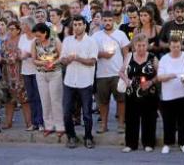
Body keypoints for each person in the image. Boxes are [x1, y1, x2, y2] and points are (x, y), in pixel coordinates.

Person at [60, 15, 98, 149]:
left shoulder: (91, 42)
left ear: (85, 26)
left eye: (79, 24)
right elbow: (62, 60)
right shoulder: (67, 41)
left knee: (87, 113)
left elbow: (92, 61)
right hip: (69, 81)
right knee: (66, 112)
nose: (77, 27)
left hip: (85, 82)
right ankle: (71, 136)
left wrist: (77, 58)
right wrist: (68, 59)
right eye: (75, 25)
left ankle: (88, 137)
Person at [92, 11, 130, 134]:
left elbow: (126, 54)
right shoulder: (96, 36)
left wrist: (124, 70)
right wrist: (102, 54)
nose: (108, 23)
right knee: (103, 101)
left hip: (118, 73)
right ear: (102, 21)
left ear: (113, 21)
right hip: (102, 74)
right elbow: (91, 53)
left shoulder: (121, 35)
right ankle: (104, 125)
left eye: (110, 20)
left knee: (121, 99)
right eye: (105, 20)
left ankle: (120, 125)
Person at [120, 34, 158, 153]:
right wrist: (126, 80)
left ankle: (149, 143)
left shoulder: (153, 57)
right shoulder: (129, 56)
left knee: (149, 119)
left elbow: (160, 73)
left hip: (149, 92)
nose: (141, 48)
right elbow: (121, 72)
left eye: (143, 45)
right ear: (134, 46)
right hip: (132, 92)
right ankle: (131, 144)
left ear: (147, 45)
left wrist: (151, 82)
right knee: (131, 119)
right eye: (138, 45)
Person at [157, 36, 184, 154]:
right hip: (168, 95)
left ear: (181, 45)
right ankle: (168, 143)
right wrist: (170, 76)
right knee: (168, 121)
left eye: (178, 46)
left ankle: (183, 143)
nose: (176, 49)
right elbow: (159, 77)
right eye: (173, 47)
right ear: (169, 46)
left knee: (183, 120)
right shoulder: (164, 59)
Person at [32, 23, 64, 137]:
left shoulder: (55, 40)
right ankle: (49, 125)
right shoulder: (35, 42)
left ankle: (60, 126)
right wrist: (43, 62)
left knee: (55, 99)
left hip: (55, 73)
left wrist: (53, 63)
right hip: (41, 73)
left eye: (39, 35)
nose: (37, 38)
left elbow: (62, 56)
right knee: (45, 100)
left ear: (45, 33)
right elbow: (34, 59)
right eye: (36, 35)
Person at [0, 21, 31, 130]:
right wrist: (4, 59)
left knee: (24, 99)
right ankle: (8, 122)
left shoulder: (22, 41)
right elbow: (0, 56)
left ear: (18, 30)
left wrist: (17, 57)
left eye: (13, 29)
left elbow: (26, 54)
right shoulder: (4, 42)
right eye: (9, 29)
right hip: (7, 74)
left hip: (20, 74)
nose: (10, 31)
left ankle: (29, 123)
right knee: (9, 100)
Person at [19, 16, 44, 131]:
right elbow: (20, 51)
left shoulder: (37, 38)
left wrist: (29, 55)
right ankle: (34, 122)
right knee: (31, 97)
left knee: (39, 97)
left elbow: (42, 54)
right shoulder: (22, 37)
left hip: (37, 70)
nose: (21, 26)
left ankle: (41, 122)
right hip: (26, 70)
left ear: (28, 26)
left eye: (23, 24)